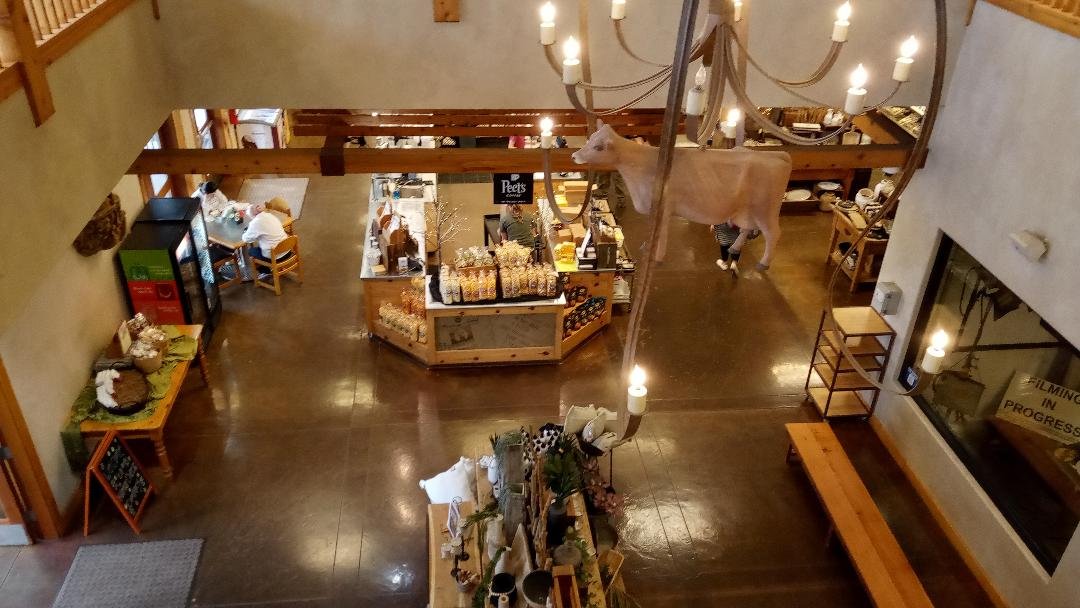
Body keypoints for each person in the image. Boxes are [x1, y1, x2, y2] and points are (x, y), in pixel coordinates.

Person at [242, 203, 291, 270]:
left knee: (251, 251)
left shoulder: (255, 223)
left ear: (252, 215)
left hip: (275, 257)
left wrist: (245, 232)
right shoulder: (269, 215)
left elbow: (246, 239)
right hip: (287, 249)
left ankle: (267, 271)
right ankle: (271, 268)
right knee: (263, 243)